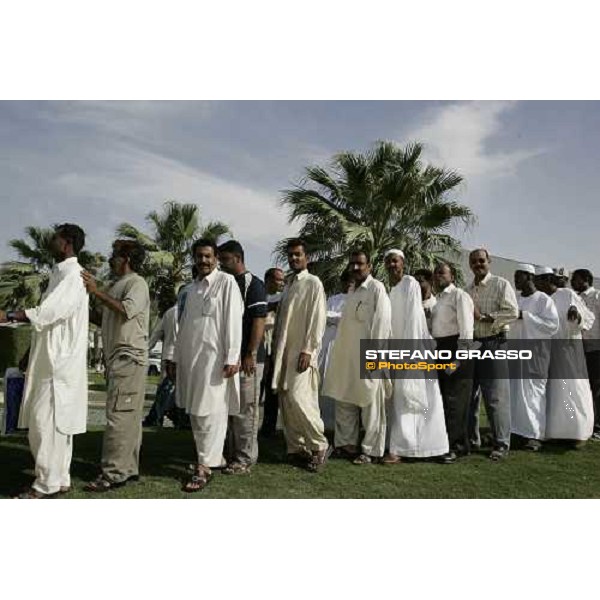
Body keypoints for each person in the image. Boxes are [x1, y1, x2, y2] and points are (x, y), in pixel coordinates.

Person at [0, 224, 88, 499]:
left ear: (67, 243)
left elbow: (49, 312)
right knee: (55, 423)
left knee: (44, 423)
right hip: (51, 360)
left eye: (55, 237)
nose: (50, 242)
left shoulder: (73, 275)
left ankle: (44, 485)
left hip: (58, 363)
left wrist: (11, 315)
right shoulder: (60, 274)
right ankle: (59, 479)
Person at [174, 238, 244, 492]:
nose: (203, 261)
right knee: (196, 411)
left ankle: (205, 466)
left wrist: (232, 356)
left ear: (216, 258)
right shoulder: (191, 290)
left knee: (210, 412)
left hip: (216, 360)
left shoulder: (226, 283)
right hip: (192, 360)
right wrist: (175, 358)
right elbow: (182, 327)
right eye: (199, 256)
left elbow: (234, 320)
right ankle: (211, 458)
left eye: (208, 256)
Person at [82, 240, 150, 492]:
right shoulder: (115, 285)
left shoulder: (137, 283)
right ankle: (128, 469)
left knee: (118, 416)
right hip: (117, 358)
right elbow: (107, 318)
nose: (111, 260)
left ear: (127, 259)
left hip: (128, 357)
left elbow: (127, 310)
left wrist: (96, 291)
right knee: (128, 417)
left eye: (115, 256)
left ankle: (112, 473)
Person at [322, 250, 391, 464]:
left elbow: (382, 325)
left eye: (360, 264)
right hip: (347, 356)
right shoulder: (352, 291)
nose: (355, 268)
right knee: (345, 400)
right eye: (352, 264)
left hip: (369, 356)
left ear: (369, 266)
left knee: (371, 404)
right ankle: (346, 444)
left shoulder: (376, 288)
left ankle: (370, 451)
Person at [384, 249, 449, 463]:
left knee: (411, 397)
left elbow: (413, 320)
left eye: (395, 261)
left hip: (412, 350)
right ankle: (403, 446)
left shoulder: (410, 283)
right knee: (401, 399)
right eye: (389, 262)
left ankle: (405, 449)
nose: (392, 265)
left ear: (402, 263)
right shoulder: (392, 289)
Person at [271, 238, 330, 472]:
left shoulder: (313, 283)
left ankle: (320, 445)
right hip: (284, 352)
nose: (294, 258)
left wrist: (308, 349)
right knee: (287, 400)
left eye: (298, 254)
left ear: (307, 257)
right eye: (291, 255)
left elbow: (318, 319)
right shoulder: (289, 285)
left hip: (302, 353)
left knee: (300, 398)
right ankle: (297, 448)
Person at [218, 239, 267, 474]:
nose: (221, 264)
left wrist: (250, 353)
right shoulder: (225, 283)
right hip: (230, 358)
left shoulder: (253, 284)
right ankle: (229, 454)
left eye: (225, 260)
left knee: (246, 409)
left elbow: (259, 319)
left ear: (237, 259)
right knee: (230, 408)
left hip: (249, 359)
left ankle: (245, 459)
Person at [466, 248, 518, 460]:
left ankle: (501, 444)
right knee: (470, 396)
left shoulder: (501, 284)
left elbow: (512, 312)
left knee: (495, 397)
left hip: (493, 344)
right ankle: (472, 440)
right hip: (472, 345)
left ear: (489, 262)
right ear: (470, 265)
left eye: (481, 261)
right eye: (474, 262)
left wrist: (484, 317)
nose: (478, 264)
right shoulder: (467, 289)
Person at [537, 267, 595, 442]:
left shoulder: (566, 295)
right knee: (553, 391)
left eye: (538, 280)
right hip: (548, 351)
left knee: (570, 389)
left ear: (547, 280)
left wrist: (576, 316)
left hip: (568, 350)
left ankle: (574, 429)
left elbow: (588, 318)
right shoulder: (540, 299)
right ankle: (554, 430)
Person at [509, 264, 559, 451]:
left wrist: (525, 316)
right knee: (515, 393)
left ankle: (534, 436)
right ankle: (516, 431)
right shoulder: (515, 299)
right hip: (515, 354)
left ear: (529, 277)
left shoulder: (543, 300)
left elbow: (552, 325)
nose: (515, 280)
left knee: (534, 394)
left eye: (518, 276)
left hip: (535, 356)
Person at [431, 262, 475, 461]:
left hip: (456, 348)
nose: (438, 275)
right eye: (436, 273)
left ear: (452, 276)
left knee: (456, 400)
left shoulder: (460, 296)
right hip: (440, 348)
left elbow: (467, 329)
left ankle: (456, 446)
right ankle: (449, 443)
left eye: (442, 272)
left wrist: (458, 359)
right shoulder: (438, 299)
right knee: (444, 399)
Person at [319, 270, 354, 431]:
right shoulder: (333, 299)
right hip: (329, 342)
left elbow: (349, 319)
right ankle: (325, 423)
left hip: (347, 344)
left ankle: (342, 427)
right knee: (324, 381)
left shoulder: (358, 299)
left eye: (351, 281)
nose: (349, 285)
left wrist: (336, 317)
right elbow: (323, 315)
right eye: (346, 281)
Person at [571, 268, 600, 440]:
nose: (572, 282)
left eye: (575, 279)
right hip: (580, 349)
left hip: (596, 348)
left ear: (585, 280)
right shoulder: (576, 298)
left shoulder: (596, 296)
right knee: (583, 388)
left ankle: (597, 426)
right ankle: (585, 423)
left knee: (596, 388)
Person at [259, 267, 285, 438]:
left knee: (271, 390)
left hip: (274, 349)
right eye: (278, 279)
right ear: (268, 280)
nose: (281, 283)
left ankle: (269, 428)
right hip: (260, 348)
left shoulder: (283, 299)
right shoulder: (258, 295)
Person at [414, 268, 436, 334]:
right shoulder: (411, 304)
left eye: (420, 281)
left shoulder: (436, 305)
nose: (417, 285)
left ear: (430, 282)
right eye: (415, 282)